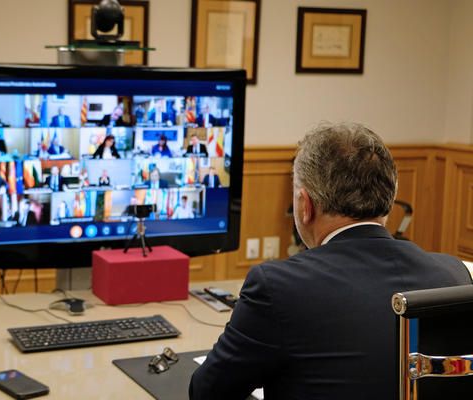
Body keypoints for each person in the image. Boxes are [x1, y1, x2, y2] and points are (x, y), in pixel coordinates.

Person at [189, 122, 472, 400]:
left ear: (305, 205)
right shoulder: (454, 276)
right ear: (389, 198)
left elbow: (208, 392)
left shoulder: (277, 288)